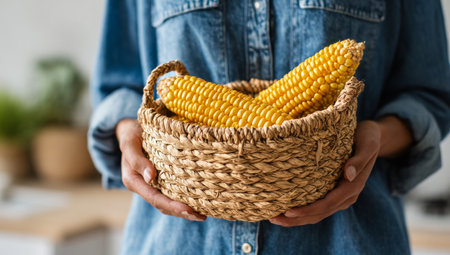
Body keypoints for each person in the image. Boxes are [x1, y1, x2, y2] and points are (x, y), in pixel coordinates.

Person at [88, 0, 450, 254]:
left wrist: (376, 135)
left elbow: (429, 96)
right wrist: (128, 134)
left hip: (345, 241)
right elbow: (119, 87)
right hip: (180, 241)